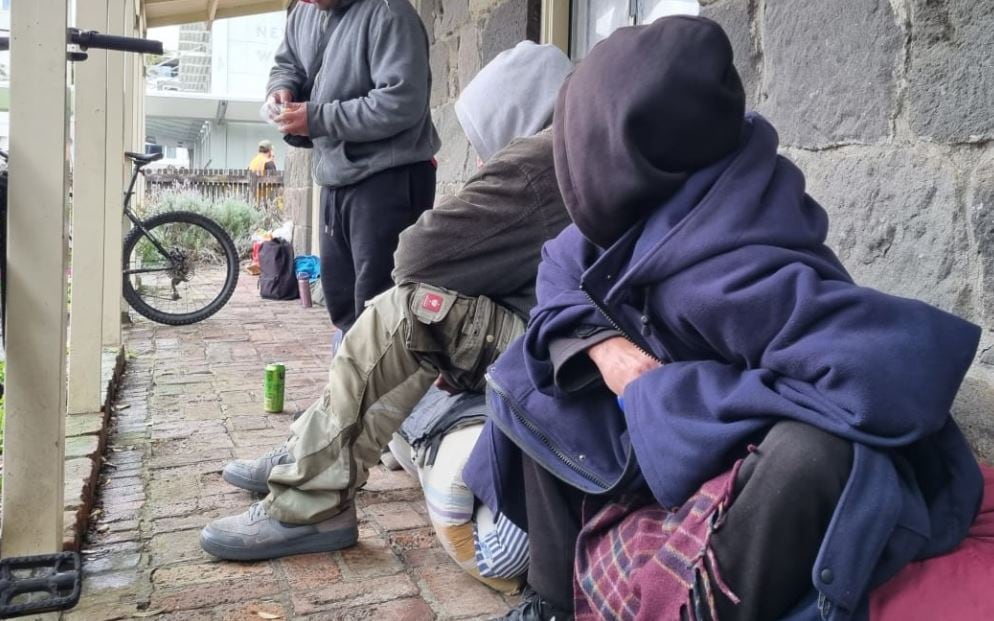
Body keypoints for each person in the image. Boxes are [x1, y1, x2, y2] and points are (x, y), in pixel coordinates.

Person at [463, 17, 984, 621]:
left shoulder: (742, 268)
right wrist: (610, 352)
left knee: (812, 456)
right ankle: (553, 603)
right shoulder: (637, 218)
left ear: (625, 156)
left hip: (743, 466)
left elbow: (899, 373)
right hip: (675, 448)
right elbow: (559, 268)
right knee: (532, 369)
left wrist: (664, 395)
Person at [199, 41, 575, 561]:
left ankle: (310, 503)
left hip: (564, 352)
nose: (485, 156)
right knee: (412, 311)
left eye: (484, 136)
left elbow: (415, 255)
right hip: (566, 340)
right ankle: (305, 457)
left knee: (412, 311)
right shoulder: (579, 152)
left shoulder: (540, 158)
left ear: (516, 113)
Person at [267, 0, 440, 334]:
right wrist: (281, 90)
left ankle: (376, 385)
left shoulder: (390, 14)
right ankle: (351, 382)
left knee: (383, 313)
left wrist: (317, 118)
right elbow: (286, 63)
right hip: (334, 179)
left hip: (389, 180)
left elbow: (401, 103)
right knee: (344, 307)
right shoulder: (304, 11)